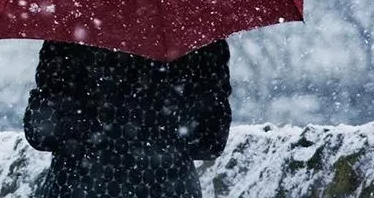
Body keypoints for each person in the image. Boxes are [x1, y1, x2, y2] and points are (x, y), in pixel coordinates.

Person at [23, 39, 231, 198]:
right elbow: (209, 143)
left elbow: (41, 135)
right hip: (168, 187)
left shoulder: (70, 30)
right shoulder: (195, 34)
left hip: (79, 187)